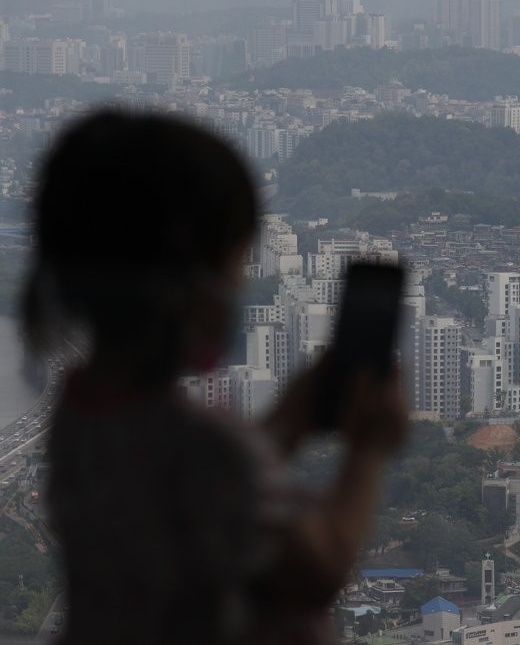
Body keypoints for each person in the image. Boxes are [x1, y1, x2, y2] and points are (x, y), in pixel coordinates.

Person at [20, 109, 409, 644]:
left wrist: (292, 417)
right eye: (236, 263)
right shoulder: (207, 447)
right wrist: (368, 450)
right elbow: (320, 571)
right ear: (189, 284)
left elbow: (213, 495)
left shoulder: (80, 409)